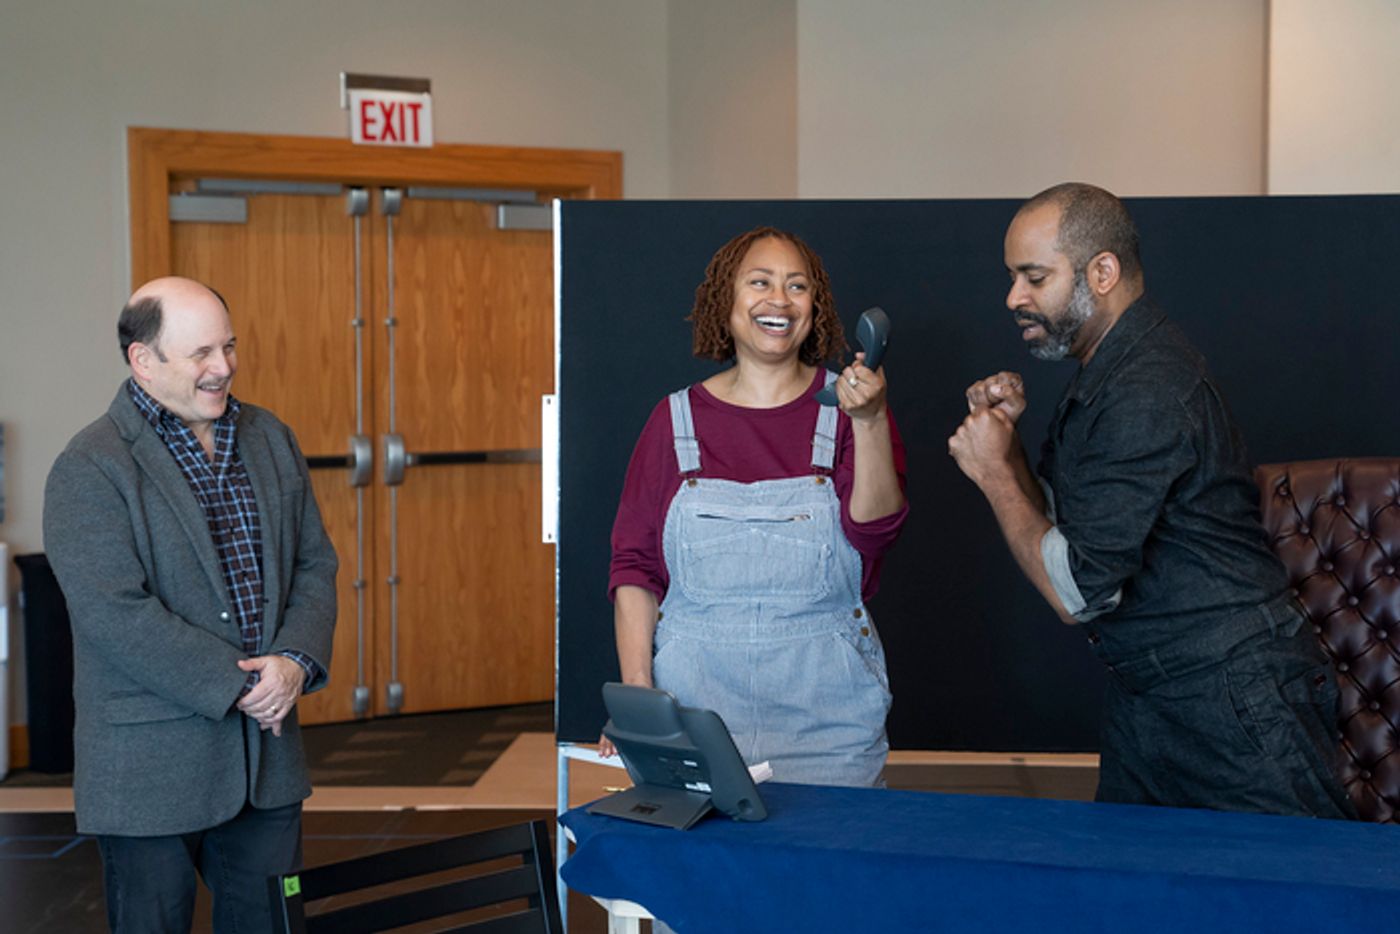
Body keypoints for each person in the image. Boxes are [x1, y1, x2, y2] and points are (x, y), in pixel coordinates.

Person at [947, 183, 1353, 818]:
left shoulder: (1149, 388)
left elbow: (1076, 592)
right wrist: (1009, 452)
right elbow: (1067, 534)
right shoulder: (1110, 371)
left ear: (1102, 272)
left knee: (1291, 902)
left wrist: (996, 474)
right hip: (1150, 698)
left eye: (1034, 277)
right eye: (1013, 278)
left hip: (1233, 700)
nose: (1014, 298)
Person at [43, 277, 339, 931]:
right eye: (201, 353)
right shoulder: (89, 467)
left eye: (229, 347)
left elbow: (314, 565)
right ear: (143, 361)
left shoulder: (270, 437)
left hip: (266, 764)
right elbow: (114, 612)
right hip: (148, 773)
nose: (224, 367)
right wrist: (239, 686)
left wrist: (293, 660)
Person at [606, 226, 908, 786]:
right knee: (703, 873)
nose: (779, 299)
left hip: (829, 722)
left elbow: (875, 533)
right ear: (728, 303)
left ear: (814, 311)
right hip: (693, 717)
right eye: (760, 282)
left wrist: (868, 422)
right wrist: (638, 695)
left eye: (797, 287)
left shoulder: (851, 407)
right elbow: (635, 566)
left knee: (823, 870)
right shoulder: (671, 421)